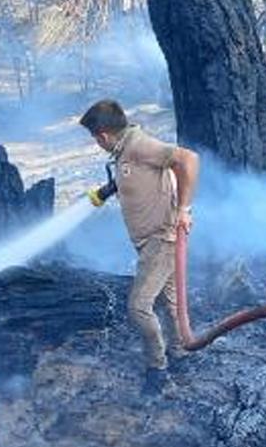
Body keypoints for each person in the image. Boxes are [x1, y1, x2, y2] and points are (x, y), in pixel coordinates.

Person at [80, 99, 199, 395]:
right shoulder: (125, 153)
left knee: (138, 307)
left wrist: (184, 208)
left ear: (103, 136)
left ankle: (157, 370)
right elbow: (136, 176)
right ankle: (180, 352)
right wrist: (106, 191)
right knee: (169, 303)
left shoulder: (139, 146)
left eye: (95, 139)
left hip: (161, 239)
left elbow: (188, 159)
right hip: (149, 242)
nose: (97, 143)